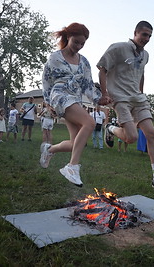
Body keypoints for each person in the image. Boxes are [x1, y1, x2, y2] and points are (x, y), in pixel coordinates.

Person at [97, 21, 154, 193]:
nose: (146, 39)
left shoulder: (145, 55)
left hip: (138, 99)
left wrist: (141, 93)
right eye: (144, 34)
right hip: (120, 98)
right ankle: (110, 129)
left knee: (152, 134)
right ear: (135, 33)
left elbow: (141, 74)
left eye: (149, 36)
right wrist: (104, 93)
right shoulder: (118, 48)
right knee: (131, 137)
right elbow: (102, 68)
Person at [40, 22, 109, 186]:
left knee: (76, 144)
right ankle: (72, 167)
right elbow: (46, 81)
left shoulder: (84, 62)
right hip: (60, 96)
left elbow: (87, 85)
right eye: (76, 42)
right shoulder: (55, 57)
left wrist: (99, 99)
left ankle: (49, 150)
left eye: (82, 43)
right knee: (90, 122)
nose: (79, 46)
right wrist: (48, 102)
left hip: (75, 100)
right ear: (68, 37)